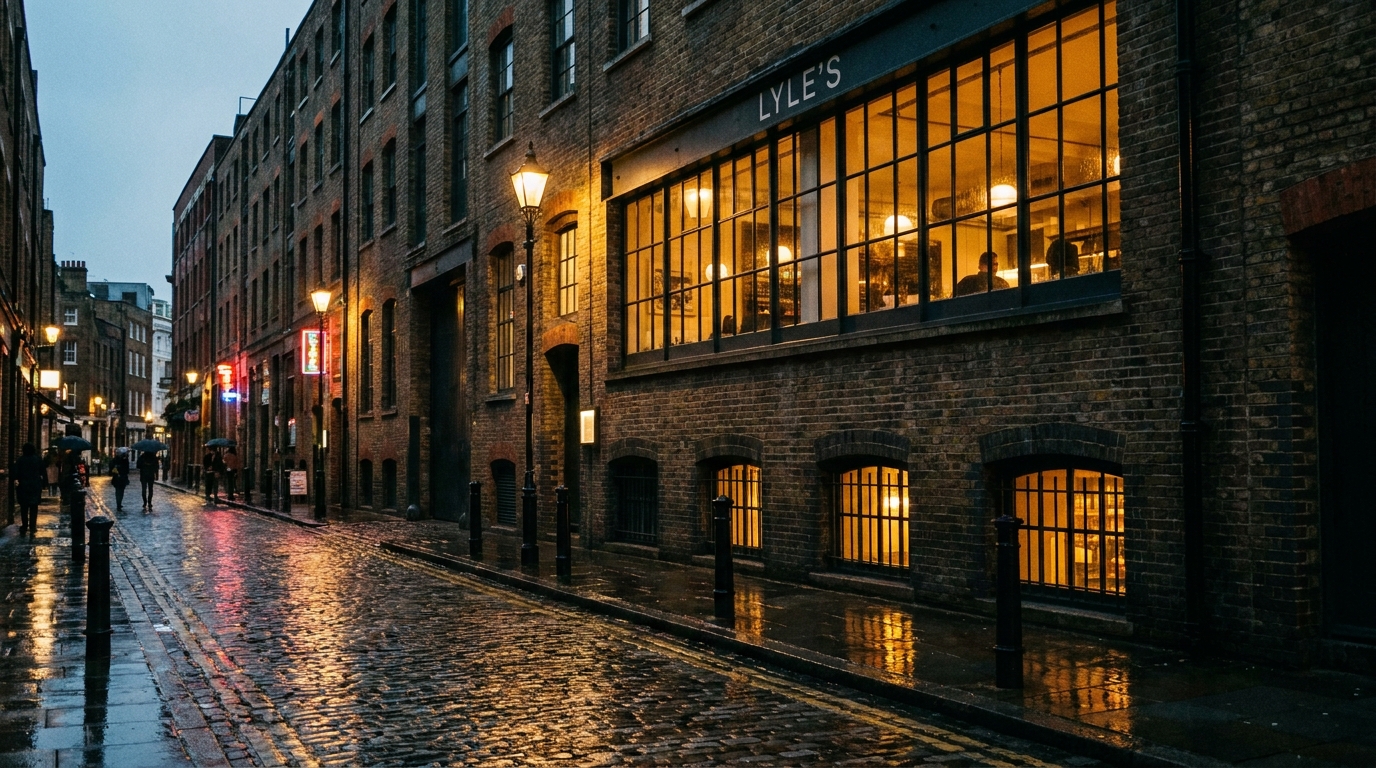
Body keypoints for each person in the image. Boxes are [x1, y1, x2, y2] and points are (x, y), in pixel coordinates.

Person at [11, 443, 46, 534]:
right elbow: (43, 471)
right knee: (34, 507)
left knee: (24, 507)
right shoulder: (37, 459)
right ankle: (33, 526)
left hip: (23, 485)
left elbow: (16, 472)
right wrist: (43, 483)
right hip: (35, 485)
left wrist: (17, 480)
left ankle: (24, 526)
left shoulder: (20, 460)